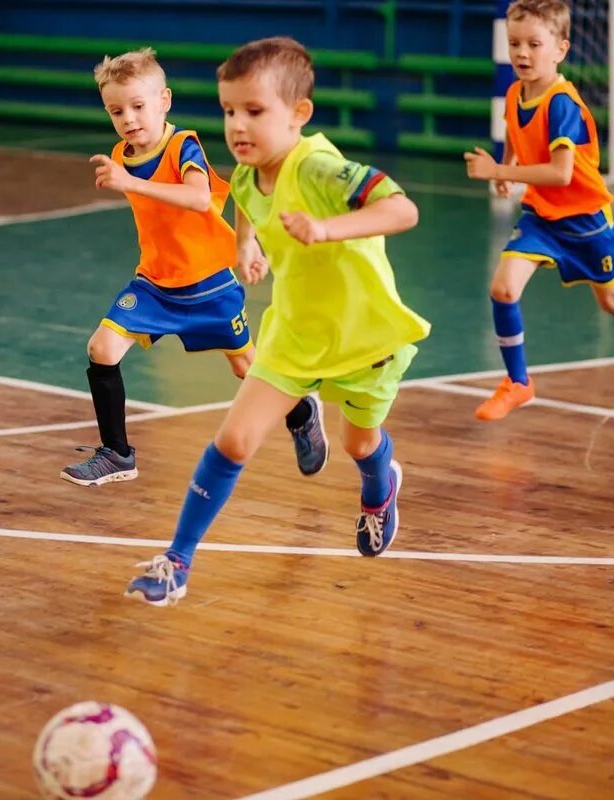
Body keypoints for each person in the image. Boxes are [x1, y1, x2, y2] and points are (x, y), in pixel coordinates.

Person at [125, 37, 429, 606]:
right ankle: (176, 562)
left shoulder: (318, 168)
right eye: (229, 110)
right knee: (235, 439)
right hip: (293, 334)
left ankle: (378, 490)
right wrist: (246, 246)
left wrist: (326, 229)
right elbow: (246, 200)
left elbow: (402, 209)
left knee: (360, 445)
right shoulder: (245, 173)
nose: (238, 125)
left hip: (365, 338)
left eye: (255, 111)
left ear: (299, 114)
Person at [62, 47, 324, 486]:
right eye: (116, 111)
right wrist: (130, 177)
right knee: (101, 349)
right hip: (155, 283)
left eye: (138, 106)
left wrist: (130, 182)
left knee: (246, 368)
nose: (128, 118)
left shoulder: (183, 144)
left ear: (164, 101)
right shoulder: (122, 153)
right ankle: (117, 454)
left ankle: (300, 412)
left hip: (209, 285)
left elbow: (200, 198)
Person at [463, 0, 614, 422]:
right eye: (515, 43)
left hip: (586, 222)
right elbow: (515, 131)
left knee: (610, 299)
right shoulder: (514, 91)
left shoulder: (562, 104)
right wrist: (508, 166)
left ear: (560, 48)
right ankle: (519, 382)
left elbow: (561, 173)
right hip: (541, 216)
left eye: (534, 44)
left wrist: (499, 170)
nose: (522, 53)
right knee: (503, 289)